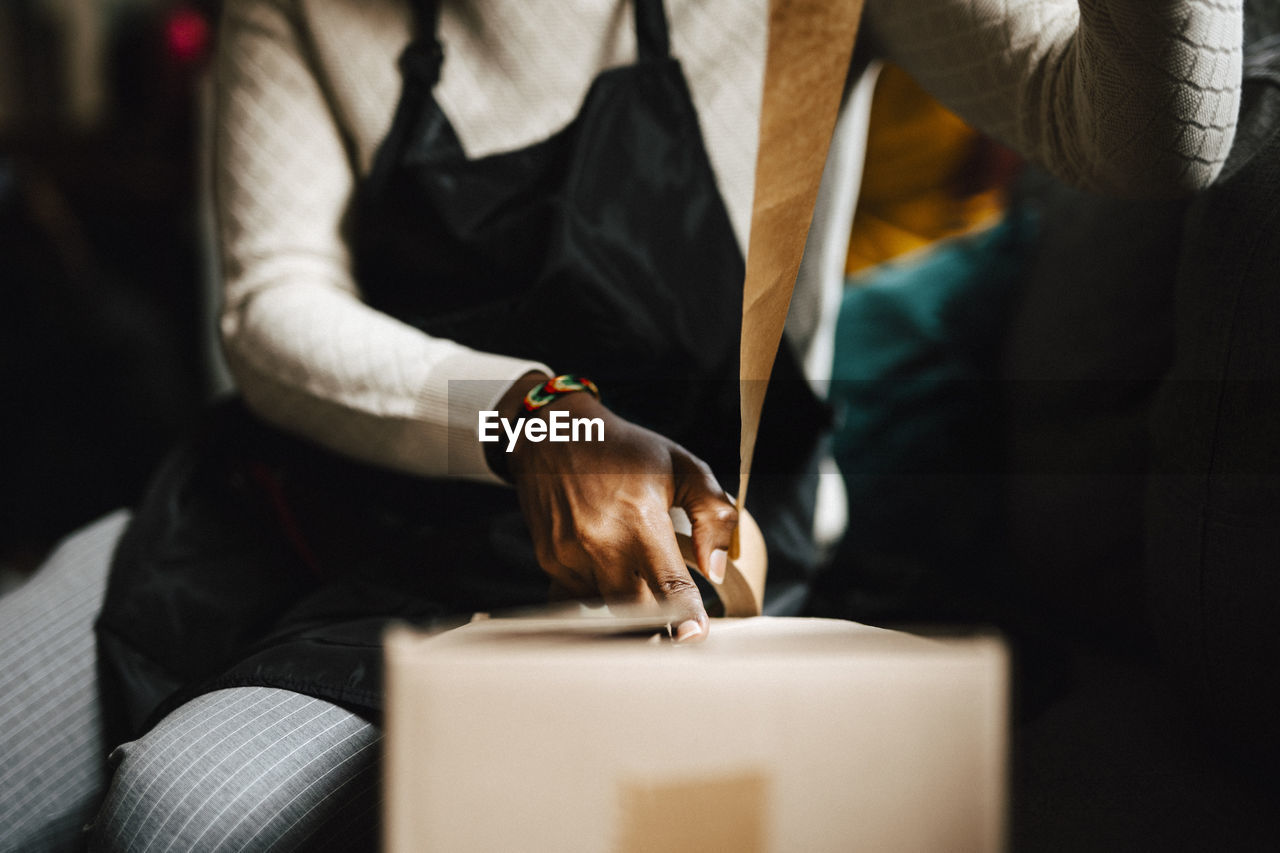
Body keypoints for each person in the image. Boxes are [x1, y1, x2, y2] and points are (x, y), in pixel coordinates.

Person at [0, 0, 1243, 849]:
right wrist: (540, 421)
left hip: (619, 576)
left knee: (184, 811)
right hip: (287, 497)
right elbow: (275, 308)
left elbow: (1144, 143)